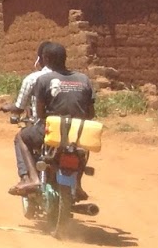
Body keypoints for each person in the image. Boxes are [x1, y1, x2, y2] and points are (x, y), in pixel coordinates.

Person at [7, 40, 95, 196]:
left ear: (45, 59)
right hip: (77, 131)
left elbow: (40, 114)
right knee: (82, 150)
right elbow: (90, 113)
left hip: (53, 130)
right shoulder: (84, 79)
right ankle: (78, 185)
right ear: (65, 58)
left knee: (21, 137)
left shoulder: (44, 80)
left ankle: (33, 178)